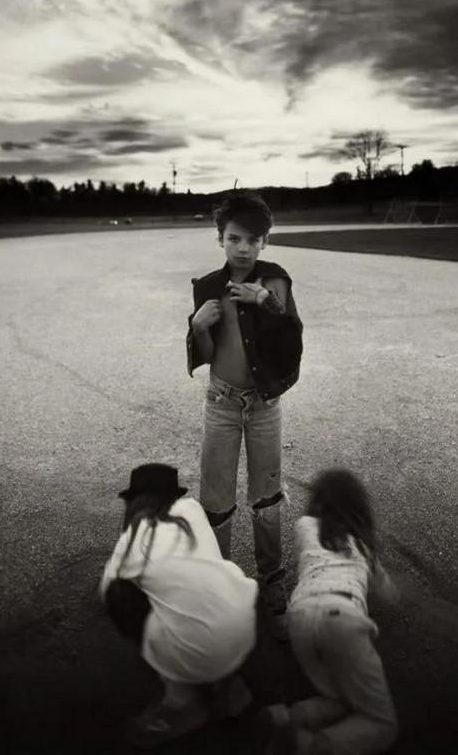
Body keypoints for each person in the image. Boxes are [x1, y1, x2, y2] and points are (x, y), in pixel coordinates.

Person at [186, 191, 304, 639]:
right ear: (220, 238)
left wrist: (266, 305)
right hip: (221, 400)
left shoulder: (275, 280)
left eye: (253, 240)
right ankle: (220, 584)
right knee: (215, 496)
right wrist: (198, 325)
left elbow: (291, 341)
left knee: (266, 494)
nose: (243, 248)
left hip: (263, 404)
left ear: (264, 243)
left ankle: (271, 581)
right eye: (234, 238)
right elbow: (210, 353)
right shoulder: (206, 287)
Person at [99, 462, 258, 749]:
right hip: (243, 624)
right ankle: (226, 684)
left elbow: (107, 589)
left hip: (198, 651)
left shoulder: (135, 538)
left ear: (135, 502)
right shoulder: (192, 510)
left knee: (120, 593)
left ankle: (182, 699)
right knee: (192, 588)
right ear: (174, 495)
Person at [259, 469, 400, 754]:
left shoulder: (305, 526)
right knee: (382, 722)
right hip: (342, 616)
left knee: (342, 696)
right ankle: (309, 745)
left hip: (298, 617)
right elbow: (388, 595)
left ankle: (288, 717)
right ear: (359, 506)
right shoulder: (363, 545)